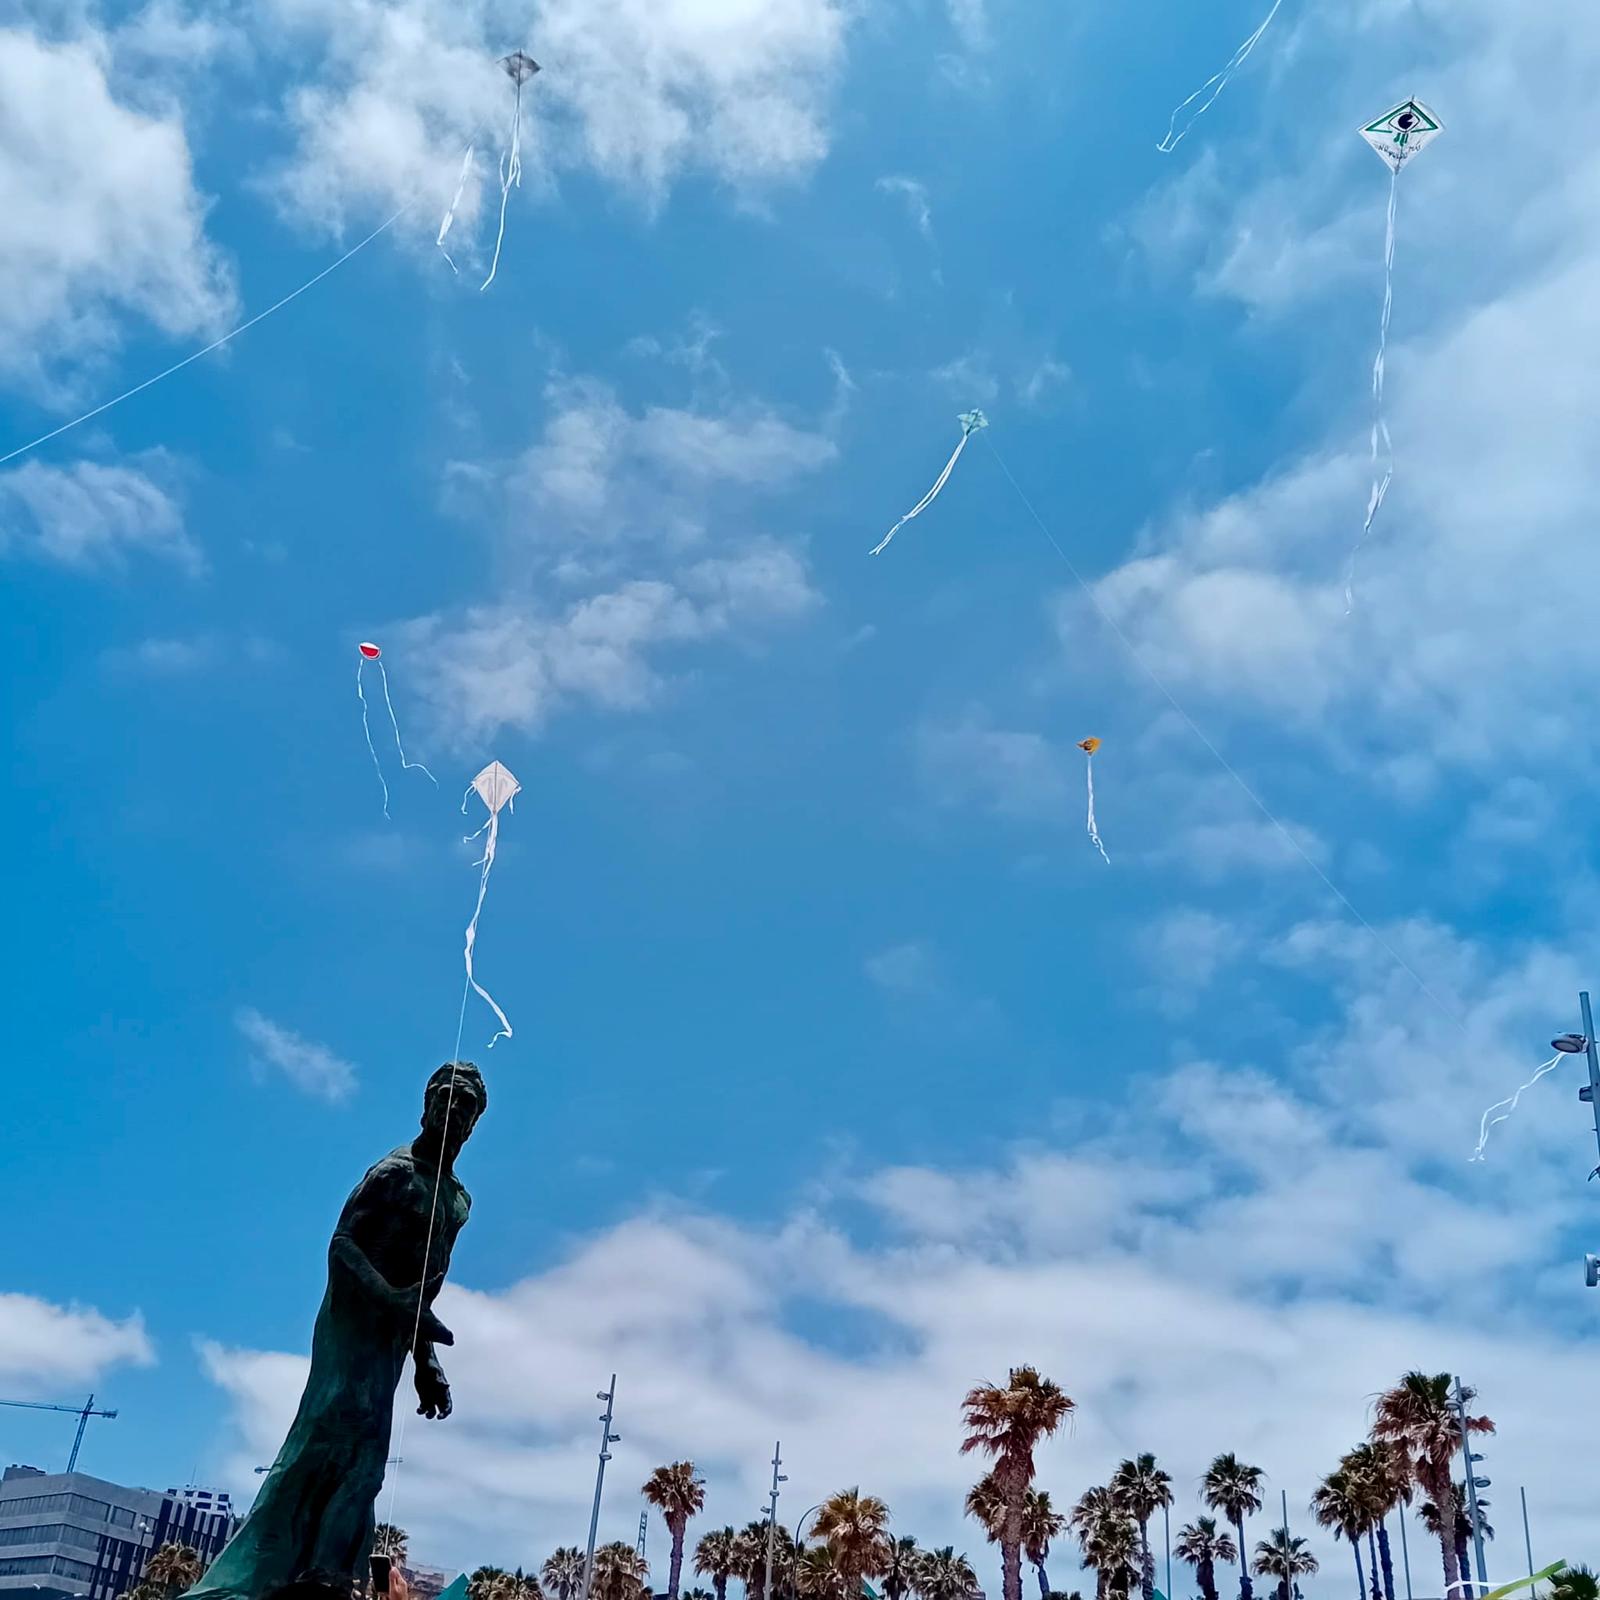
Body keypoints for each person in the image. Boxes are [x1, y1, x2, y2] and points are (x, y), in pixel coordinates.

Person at [187, 1064, 487, 1600]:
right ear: (425, 1105)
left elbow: (424, 1288)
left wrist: (426, 1361)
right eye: (445, 1097)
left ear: (474, 1123)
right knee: (330, 1432)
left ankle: (329, 1573)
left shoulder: (458, 1201)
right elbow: (343, 1244)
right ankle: (272, 1572)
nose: (453, 1109)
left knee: (367, 1455)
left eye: (465, 1104)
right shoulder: (393, 1173)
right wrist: (388, 1299)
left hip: (391, 1335)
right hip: (352, 1320)